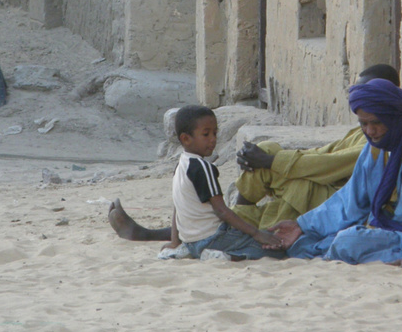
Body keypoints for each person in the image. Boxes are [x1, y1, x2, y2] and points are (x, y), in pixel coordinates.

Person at [269, 78, 402, 267]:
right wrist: (302, 225)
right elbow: (350, 201)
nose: (369, 131)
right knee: (305, 243)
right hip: (392, 229)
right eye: (363, 124)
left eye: (376, 123)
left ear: (393, 119)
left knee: (347, 242)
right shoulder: (375, 148)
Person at [232, 63, 401, 228]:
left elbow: (329, 165)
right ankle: (238, 217)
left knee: (300, 187)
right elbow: (323, 153)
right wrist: (271, 158)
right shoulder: (363, 129)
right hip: (333, 189)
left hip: (349, 202)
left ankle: (248, 227)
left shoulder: (381, 137)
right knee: (267, 149)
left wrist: (272, 161)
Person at [113, 104, 283, 261]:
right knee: (272, 250)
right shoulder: (203, 168)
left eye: (215, 133)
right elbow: (222, 211)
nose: (212, 139)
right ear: (186, 139)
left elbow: (177, 209)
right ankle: (226, 256)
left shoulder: (180, 165)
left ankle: (190, 251)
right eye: (206, 134)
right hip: (214, 238)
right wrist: (256, 233)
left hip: (191, 241)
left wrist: (175, 242)